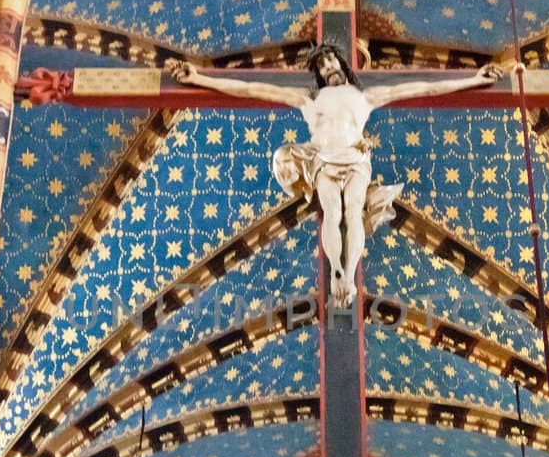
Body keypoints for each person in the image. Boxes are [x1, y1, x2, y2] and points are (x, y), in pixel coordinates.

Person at [168, 47, 502, 305]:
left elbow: (422, 88)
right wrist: (198, 78)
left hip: (356, 159)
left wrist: (475, 80)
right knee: (333, 211)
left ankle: (350, 275)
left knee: (353, 211)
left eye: (331, 60)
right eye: (322, 65)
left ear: (342, 63)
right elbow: (252, 88)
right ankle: (337, 272)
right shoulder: (308, 99)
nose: (328, 66)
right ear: (317, 73)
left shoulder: (366, 96)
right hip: (323, 161)